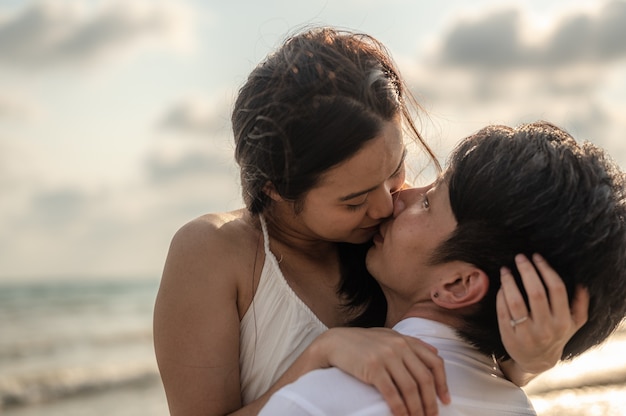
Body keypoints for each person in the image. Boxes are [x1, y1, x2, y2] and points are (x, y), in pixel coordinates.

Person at [153, 26, 584, 416]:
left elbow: (456, 368)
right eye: (354, 200)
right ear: (275, 188)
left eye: (395, 169)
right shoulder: (213, 253)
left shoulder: (395, 243)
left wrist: (528, 360)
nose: (386, 206)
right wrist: (321, 355)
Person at [258, 121, 626, 416]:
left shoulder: (320, 400)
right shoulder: (518, 407)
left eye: (429, 203)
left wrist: (319, 355)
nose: (399, 198)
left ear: (457, 285)